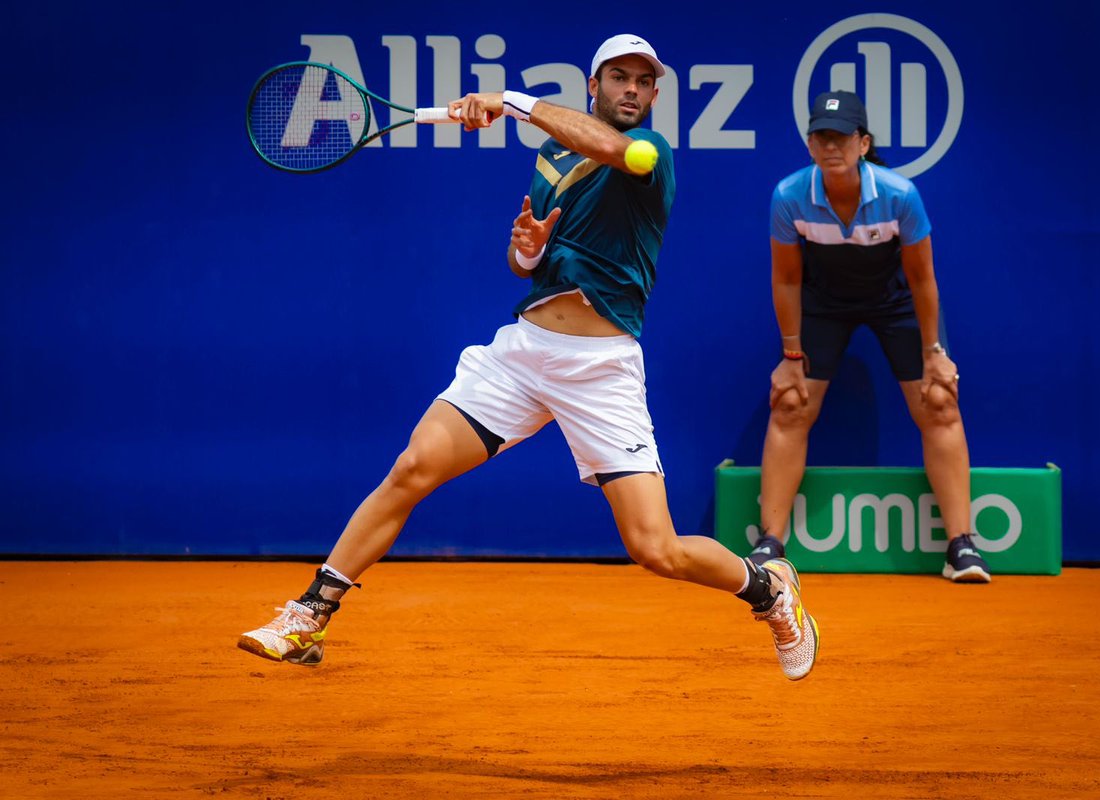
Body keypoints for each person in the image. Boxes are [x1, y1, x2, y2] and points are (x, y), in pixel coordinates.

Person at [238, 35, 819, 679]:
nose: (631, 89)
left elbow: (613, 148)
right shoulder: (550, 156)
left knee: (655, 549)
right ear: (592, 86)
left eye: (642, 81)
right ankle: (311, 613)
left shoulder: (650, 155)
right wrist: (528, 250)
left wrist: (509, 100)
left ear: (654, 95)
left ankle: (767, 588)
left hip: (600, 369)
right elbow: (526, 266)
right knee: (412, 467)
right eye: (618, 77)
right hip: (524, 352)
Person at [748, 90, 991, 584]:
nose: (830, 145)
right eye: (821, 136)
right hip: (823, 304)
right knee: (790, 402)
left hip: (894, 301)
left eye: (841, 137)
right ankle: (770, 543)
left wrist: (935, 353)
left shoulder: (900, 195)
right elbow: (787, 280)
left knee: (939, 400)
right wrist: (791, 355)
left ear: (864, 143)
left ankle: (961, 546)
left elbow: (923, 280)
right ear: (810, 144)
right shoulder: (789, 196)